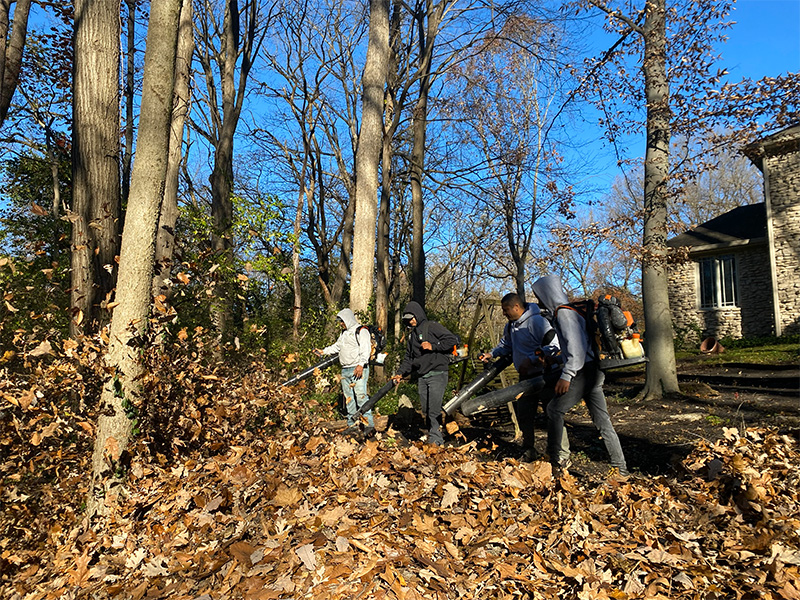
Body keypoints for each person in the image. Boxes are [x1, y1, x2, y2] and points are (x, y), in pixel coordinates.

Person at [531, 276, 629, 477]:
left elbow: (576, 350)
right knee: (603, 422)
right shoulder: (570, 312)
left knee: (554, 410)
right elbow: (575, 348)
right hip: (593, 369)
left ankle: (555, 462)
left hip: (583, 372)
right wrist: (555, 359)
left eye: (539, 296)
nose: (538, 301)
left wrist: (566, 375)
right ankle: (621, 468)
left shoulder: (565, 314)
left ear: (547, 295)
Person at [479, 293, 568, 462]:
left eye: (506, 310)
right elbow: (506, 344)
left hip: (545, 376)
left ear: (516, 307)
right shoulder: (511, 325)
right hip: (525, 380)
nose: (504, 313)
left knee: (553, 414)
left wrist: (533, 360)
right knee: (524, 415)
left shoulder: (537, 322)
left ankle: (561, 454)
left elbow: (555, 346)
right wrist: (492, 354)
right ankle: (529, 450)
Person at [392, 301, 459, 446]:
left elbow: (452, 339)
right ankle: (433, 434)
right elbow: (408, 358)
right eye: (408, 319)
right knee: (426, 408)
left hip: (437, 373)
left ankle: (437, 440)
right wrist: (400, 373)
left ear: (418, 315)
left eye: (413, 317)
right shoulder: (411, 336)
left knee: (434, 409)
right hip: (422, 376)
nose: (411, 320)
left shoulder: (432, 326)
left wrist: (433, 346)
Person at [315, 309, 374, 436]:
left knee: (361, 396)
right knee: (349, 399)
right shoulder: (344, 333)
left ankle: (368, 424)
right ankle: (352, 424)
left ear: (347, 319)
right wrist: (323, 351)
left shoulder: (361, 331)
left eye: (342, 321)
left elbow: (366, 349)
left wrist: (361, 365)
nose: (341, 324)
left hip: (357, 369)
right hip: (345, 369)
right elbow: (337, 347)